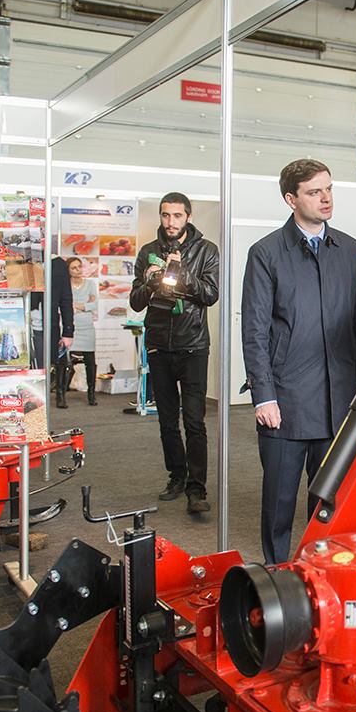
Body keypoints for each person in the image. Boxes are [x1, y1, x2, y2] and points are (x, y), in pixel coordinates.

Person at [242, 159, 356, 564]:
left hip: (339, 401)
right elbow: (255, 330)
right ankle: (276, 572)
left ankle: (321, 573)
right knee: (279, 503)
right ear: (291, 199)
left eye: (329, 189)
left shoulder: (348, 249)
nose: (326, 198)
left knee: (328, 503)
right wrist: (264, 396)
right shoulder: (266, 253)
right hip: (286, 401)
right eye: (315, 192)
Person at [130, 192, 219, 513]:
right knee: (167, 421)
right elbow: (135, 302)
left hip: (193, 345)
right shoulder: (148, 252)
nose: (171, 222)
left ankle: (197, 488)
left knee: (194, 421)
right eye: (166, 215)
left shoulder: (207, 250)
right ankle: (176, 477)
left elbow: (210, 294)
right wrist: (152, 283)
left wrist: (182, 274)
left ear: (188, 217)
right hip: (158, 346)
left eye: (177, 215)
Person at [57, 257, 98, 407]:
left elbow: (94, 304)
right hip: (69, 327)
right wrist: (82, 305)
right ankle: (60, 395)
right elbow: (61, 304)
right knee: (63, 362)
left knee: (90, 362)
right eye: (74, 268)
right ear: (68, 270)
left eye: (79, 266)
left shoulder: (90, 284)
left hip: (86, 327)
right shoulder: (64, 284)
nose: (78, 270)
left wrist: (75, 306)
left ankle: (91, 394)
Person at [31, 255, 74, 374]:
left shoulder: (57, 264)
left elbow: (66, 300)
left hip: (44, 329)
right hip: (21, 325)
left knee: (43, 370)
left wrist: (68, 332)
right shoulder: (21, 260)